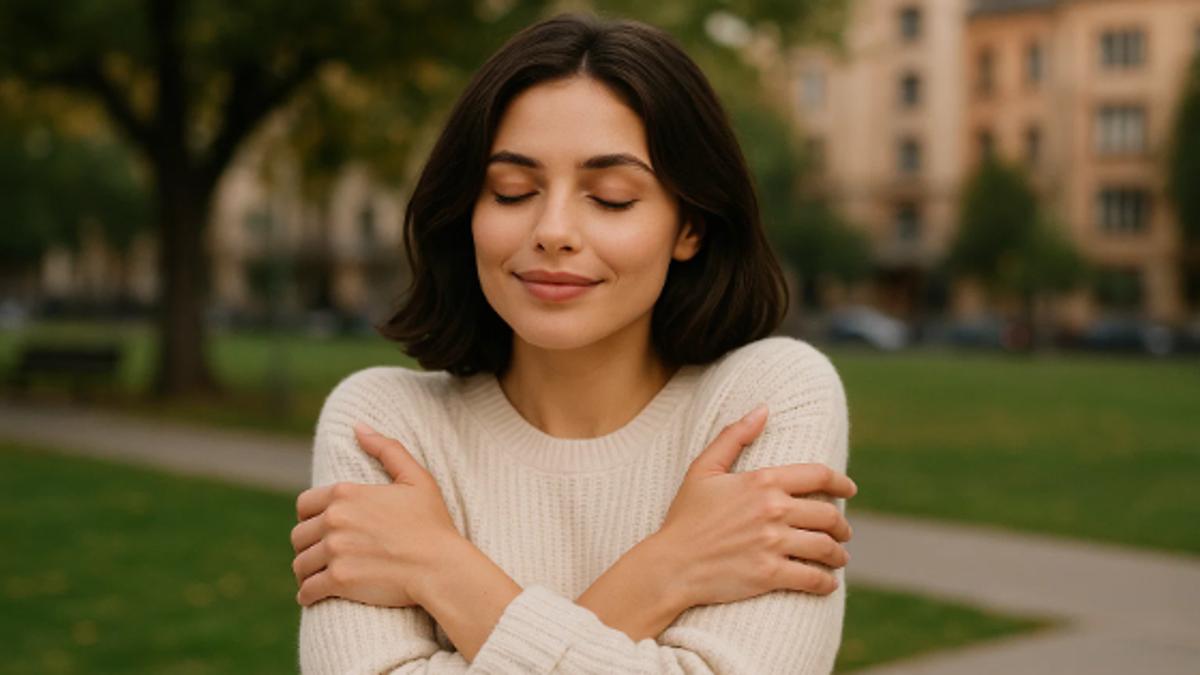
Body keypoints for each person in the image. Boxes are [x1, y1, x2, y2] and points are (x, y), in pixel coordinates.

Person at [290, 12, 858, 674]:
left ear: (690, 227)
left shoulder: (765, 399)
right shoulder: (383, 426)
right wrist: (668, 571)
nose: (553, 229)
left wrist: (437, 564)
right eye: (513, 191)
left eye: (612, 197)